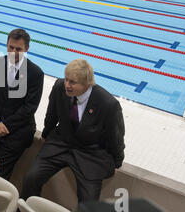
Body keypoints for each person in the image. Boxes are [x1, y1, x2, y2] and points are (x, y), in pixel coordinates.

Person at [21, 59, 125, 204]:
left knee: (88, 201)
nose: (67, 85)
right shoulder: (59, 87)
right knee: (30, 178)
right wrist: (45, 134)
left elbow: (116, 135)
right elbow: (51, 115)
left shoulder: (107, 103)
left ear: (87, 83)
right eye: (66, 79)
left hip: (89, 153)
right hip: (60, 143)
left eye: (72, 82)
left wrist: (117, 161)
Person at [0, 28, 44, 180]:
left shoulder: (35, 73)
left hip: (17, 131)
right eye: (10, 47)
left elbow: (30, 107)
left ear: (26, 49)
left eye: (18, 49)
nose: (13, 52)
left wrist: (4, 125)